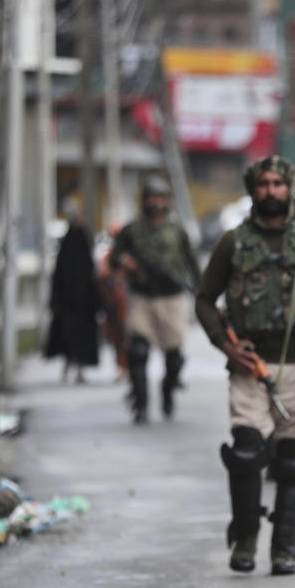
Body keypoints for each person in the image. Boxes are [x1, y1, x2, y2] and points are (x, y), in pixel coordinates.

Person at [195, 156, 295, 575]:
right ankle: (246, 535)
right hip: (249, 365)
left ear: (290, 189)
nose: (271, 191)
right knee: (246, 452)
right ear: (253, 190)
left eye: (278, 184)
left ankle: (285, 544)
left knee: (293, 459)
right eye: (263, 184)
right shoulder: (233, 242)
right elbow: (204, 300)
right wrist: (225, 345)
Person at [110, 175, 200, 423]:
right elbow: (114, 257)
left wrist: (202, 290)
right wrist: (123, 262)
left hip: (171, 299)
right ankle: (140, 404)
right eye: (151, 198)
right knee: (138, 352)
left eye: (160, 198)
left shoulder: (177, 231)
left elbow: (191, 262)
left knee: (175, 358)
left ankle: (168, 391)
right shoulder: (132, 231)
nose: (155, 202)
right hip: (141, 298)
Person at [44, 200, 100, 383]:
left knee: (79, 337)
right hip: (69, 302)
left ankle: (78, 370)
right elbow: (61, 272)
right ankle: (71, 368)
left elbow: (90, 271)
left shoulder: (80, 237)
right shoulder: (71, 239)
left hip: (82, 303)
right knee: (69, 336)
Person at [98, 222, 129, 382]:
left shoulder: (129, 255)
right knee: (117, 337)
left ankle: (128, 366)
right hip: (114, 303)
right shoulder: (109, 256)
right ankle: (122, 366)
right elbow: (102, 276)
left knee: (129, 337)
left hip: (129, 303)